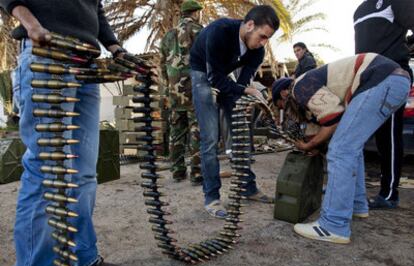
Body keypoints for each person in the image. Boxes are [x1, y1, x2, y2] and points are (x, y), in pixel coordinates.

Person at [0, 0, 129, 266]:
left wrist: (115, 46)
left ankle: (82, 258)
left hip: (86, 67)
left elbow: (96, 9)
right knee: (47, 173)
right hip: (46, 54)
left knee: (83, 174)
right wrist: (31, 24)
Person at [272, 53, 410, 244]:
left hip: (381, 78)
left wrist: (309, 144)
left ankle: (333, 224)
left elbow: (334, 117)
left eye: (281, 107)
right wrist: (314, 146)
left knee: (341, 149)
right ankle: (357, 205)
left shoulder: (300, 87)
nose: (286, 113)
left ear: (284, 94)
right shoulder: (310, 97)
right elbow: (321, 129)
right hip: (396, 81)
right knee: (352, 147)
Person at [190, 5, 279, 218]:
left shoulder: (258, 50)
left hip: (223, 75)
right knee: (210, 138)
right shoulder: (219, 32)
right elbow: (214, 78)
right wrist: (243, 90)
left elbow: (241, 83)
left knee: (239, 131)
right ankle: (212, 198)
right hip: (203, 73)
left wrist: (245, 98)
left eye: (267, 38)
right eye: (262, 36)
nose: (263, 42)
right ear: (249, 25)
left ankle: (248, 187)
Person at [354, 0, 414, 209]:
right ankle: (352, 188)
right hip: (366, 78)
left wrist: (406, 47)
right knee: (358, 137)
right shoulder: (359, 10)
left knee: (388, 138)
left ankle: (389, 195)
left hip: (392, 75)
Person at [160, 0, 203, 185]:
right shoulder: (200, 31)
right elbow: (208, 59)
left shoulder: (167, 35)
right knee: (197, 131)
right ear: (195, 13)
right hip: (195, 88)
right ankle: (197, 173)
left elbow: (162, 65)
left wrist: (169, 85)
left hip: (174, 89)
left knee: (176, 131)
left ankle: (177, 172)